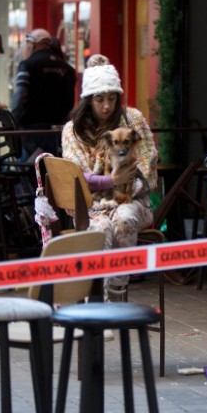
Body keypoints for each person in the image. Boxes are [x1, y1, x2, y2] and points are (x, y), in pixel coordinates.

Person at [60, 54, 158, 301]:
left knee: (123, 220)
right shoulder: (73, 131)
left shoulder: (132, 119)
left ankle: (117, 288)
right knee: (101, 229)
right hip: (91, 206)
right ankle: (98, 297)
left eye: (112, 98)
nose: (106, 106)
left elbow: (147, 159)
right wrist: (110, 182)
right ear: (88, 100)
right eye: (100, 99)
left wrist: (125, 191)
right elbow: (78, 174)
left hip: (133, 201)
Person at [10, 28, 76, 159]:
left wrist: (13, 122)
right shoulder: (67, 68)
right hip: (58, 130)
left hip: (32, 131)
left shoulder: (28, 65)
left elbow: (19, 98)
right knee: (54, 169)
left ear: (33, 44)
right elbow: (70, 101)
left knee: (30, 169)